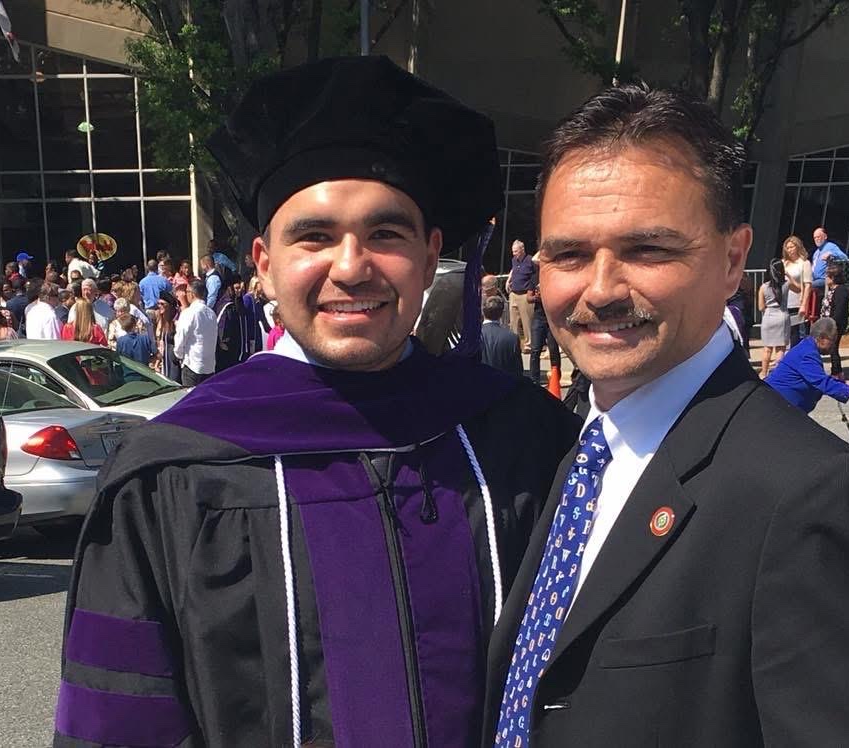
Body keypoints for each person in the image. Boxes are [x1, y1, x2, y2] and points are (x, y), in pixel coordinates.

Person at [54, 56, 579, 748]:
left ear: (429, 258)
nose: (351, 265)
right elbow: (120, 724)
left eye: (386, 234)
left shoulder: (519, 438)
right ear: (264, 264)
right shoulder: (169, 477)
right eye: (314, 236)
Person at [484, 83, 849, 748]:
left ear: (731, 261)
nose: (602, 289)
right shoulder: (577, 454)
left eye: (648, 250)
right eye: (570, 254)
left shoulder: (806, 497)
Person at [766, 318, 849, 413]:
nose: (834, 345)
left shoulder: (806, 346)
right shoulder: (808, 354)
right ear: (822, 338)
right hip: (777, 405)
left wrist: (847, 385)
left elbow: (816, 379)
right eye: (832, 340)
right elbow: (820, 381)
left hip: (781, 404)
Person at [173, 278, 218, 386]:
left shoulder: (189, 313)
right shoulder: (212, 313)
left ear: (192, 294)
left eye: (187, 292)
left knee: (191, 398)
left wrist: (178, 355)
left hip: (192, 365)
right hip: (209, 365)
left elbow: (181, 337)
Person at [527, 264, 561, 387]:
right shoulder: (535, 278)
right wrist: (537, 297)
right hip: (539, 317)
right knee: (535, 349)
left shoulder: (554, 278)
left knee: (553, 349)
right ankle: (534, 380)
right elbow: (528, 298)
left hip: (551, 318)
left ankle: (556, 377)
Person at [757, 258, 790, 377]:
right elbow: (798, 287)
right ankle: (779, 373)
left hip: (769, 316)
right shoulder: (786, 285)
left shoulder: (763, 287)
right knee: (781, 348)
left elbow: (761, 307)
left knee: (767, 348)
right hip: (782, 316)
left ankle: (764, 372)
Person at [480, 295, 523, 377]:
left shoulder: (473, 336)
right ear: (501, 313)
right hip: (504, 386)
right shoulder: (512, 338)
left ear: (483, 311)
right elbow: (518, 371)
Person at [820, 261, 849, 378]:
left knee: (833, 347)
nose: (825, 279)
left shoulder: (840, 291)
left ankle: (837, 372)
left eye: (827, 276)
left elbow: (839, 310)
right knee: (832, 348)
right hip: (828, 324)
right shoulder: (832, 290)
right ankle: (836, 371)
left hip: (835, 325)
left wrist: (832, 324)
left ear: (832, 278)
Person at [505, 239, 535, 352]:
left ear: (522, 250)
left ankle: (529, 344)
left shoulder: (530, 260)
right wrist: (509, 279)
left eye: (516, 251)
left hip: (524, 294)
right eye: (513, 251)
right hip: (514, 293)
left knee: (527, 321)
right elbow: (513, 269)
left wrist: (531, 290)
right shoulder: (514, 260)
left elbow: (535, 274)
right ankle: (514, 344)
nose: (514, 254)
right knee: (513, 322)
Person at [781, 234, 811, 346]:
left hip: (796, 302)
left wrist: (804, 304)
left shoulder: (804, 263)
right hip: (783, 302)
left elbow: (807, 286)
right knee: (783, 333)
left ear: (798, 247)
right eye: (787, 248)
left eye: (792, 247)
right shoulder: (784, 263)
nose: (789, 250)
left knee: (795, 333)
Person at [154, 290, 182, 382]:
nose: (160, 306)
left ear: (169, 306)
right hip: (166, 360)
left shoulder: (176, 322)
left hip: (174, 361)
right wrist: (158, 361)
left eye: (163, 304)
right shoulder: (162, 321)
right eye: (158, 304)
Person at [809, 226, 847, 293]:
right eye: (815, 237)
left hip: (825, 279)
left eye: (818, 237)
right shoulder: (816, 253)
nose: (816, 239)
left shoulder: (831, 246)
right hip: (814, 280)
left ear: (825, 237)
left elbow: (844, 257)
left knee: (807, 286)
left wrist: (831, 253)